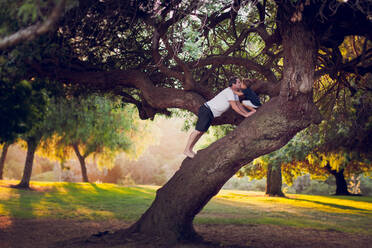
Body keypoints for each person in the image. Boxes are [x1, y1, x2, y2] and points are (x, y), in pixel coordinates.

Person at [183, 77, 251, 158]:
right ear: (233, 84)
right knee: (198, 131)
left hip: (210, 113)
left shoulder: (235, 93)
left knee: (201, 132)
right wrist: (245, 115)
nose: (240, 84)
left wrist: (247, 113)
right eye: (239, 82)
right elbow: (234, 107)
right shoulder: (229, 92)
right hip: (206, 110)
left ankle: (190, 149)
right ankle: (186, 150)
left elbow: (238, 105)